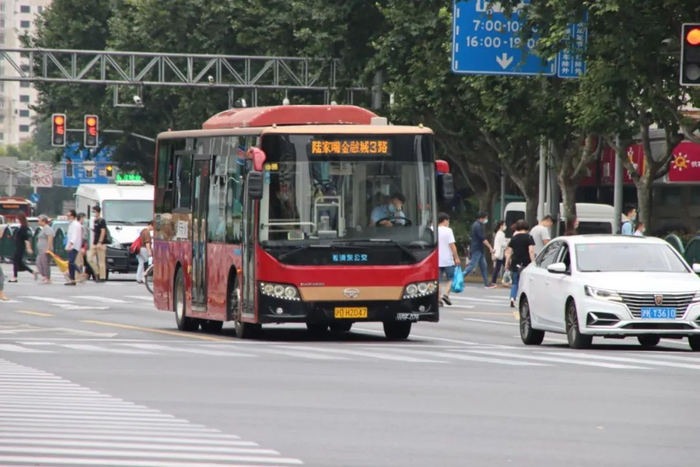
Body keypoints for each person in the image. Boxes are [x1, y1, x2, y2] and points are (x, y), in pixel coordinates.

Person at [505, 219, 536, 308]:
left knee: (515, 282)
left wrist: (507, 263)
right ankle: (526, 301)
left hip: (515, 262)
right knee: (526, 283)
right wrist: (533, 262)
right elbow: (531, 251)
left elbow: (509, 252)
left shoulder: (514, 238)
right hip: (526, 263)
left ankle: (512, 298)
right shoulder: (529, 237)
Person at [462, 212, 496, 289]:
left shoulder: (478, 225)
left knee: (484, 266)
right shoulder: (477, 226)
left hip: (479, 249)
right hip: (477, 249)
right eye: (485, 218)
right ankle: (459, 278)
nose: (486, 220)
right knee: (471, 266)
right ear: (482, 218)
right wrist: (490, 247)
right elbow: (483, 239)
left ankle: (487, 283)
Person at [437, 213, 461, 306]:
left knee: (438, 280)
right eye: (448, 221)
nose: (448, 222)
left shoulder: (432, 229)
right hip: (448, 259)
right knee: (452, 278)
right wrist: (456, 257)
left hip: (436, 259)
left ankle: (438, 299)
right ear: (444, 220)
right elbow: (452, 245)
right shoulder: (448, 231)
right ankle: (446, 295)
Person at [9, 213, 37, 283]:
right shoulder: (20, 227)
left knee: (15, 261)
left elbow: (27, 239)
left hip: (20, 247)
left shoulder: (24, 228)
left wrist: (29, 248)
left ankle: (15, 277)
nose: (16, 219)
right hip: (18, 246)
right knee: (19, 262)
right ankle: (33, 272)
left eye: (17, 218)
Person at [87, 205, 108, 282]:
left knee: (101, 261)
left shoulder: (102, 221)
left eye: (94, 211)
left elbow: (103, 231)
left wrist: (100, 242)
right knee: (89, 258)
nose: (93, 213)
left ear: (98, 212)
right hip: (94, 243)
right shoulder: (95, 221)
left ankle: (102, 277)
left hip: (100, 243)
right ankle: (97, 272)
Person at [65, 210, 82, 286]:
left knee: (71, 262)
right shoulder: (72, 224)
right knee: (70, 263)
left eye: (68, 215)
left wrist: (70, 245)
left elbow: (74, 236)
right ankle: (72, 279)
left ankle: (79, 272)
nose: (67, 217)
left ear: (72, 216)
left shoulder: (75, 224)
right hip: (73, 245)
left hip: (74, 246)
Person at [35, 215, 54, 284]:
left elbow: (50, 239)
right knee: (38, 262)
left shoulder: (48, 229)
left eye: (39, 221)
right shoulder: (43, 229)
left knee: (45, 263)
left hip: (45, 249)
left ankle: (47, 277)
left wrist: (48, 248)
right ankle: (44, 275)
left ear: (43, 221)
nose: (38, 222)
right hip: (41, 249)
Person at [491, 221, 508, 286]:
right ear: (501, 226)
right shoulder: (501, 234)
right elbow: (503, 244)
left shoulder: (498, 233)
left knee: (499, 267)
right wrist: (507, 243)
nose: (505, 226)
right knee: (505, 266)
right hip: (500, 253)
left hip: (499, 253)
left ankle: (493, 281)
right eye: (504, 225)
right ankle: (494, 281)